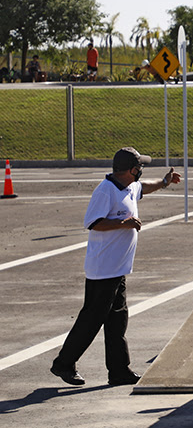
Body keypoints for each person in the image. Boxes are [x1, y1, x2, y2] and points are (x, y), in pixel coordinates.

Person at [50, 147, 181, 386]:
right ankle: (63, 364)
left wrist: (164, 182)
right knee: (91, 320)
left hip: (117, 269)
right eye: (140, 166)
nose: (142, 169)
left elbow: (144, 188)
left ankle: (119, 370)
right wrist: (124, 223)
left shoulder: (129, 186)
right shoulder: (106, 190)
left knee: (117, 320)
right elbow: (93, 222)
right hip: (103, 269)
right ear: (131, 169)